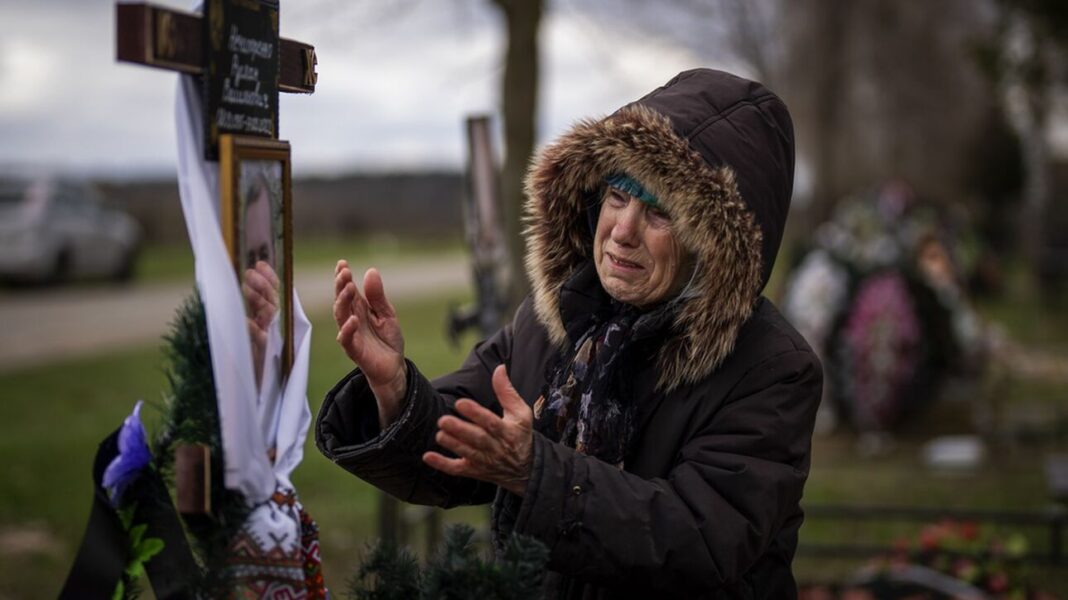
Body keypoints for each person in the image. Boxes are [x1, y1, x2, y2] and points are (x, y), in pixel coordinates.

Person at [316, 69, 823, 598]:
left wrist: (536, 472)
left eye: (659, 213)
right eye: (619, 195)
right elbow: (460, 441)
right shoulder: (554, 320)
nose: (623, 232)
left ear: (714, 246)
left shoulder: (772, 368)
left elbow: (699, 540)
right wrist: (395, 389)